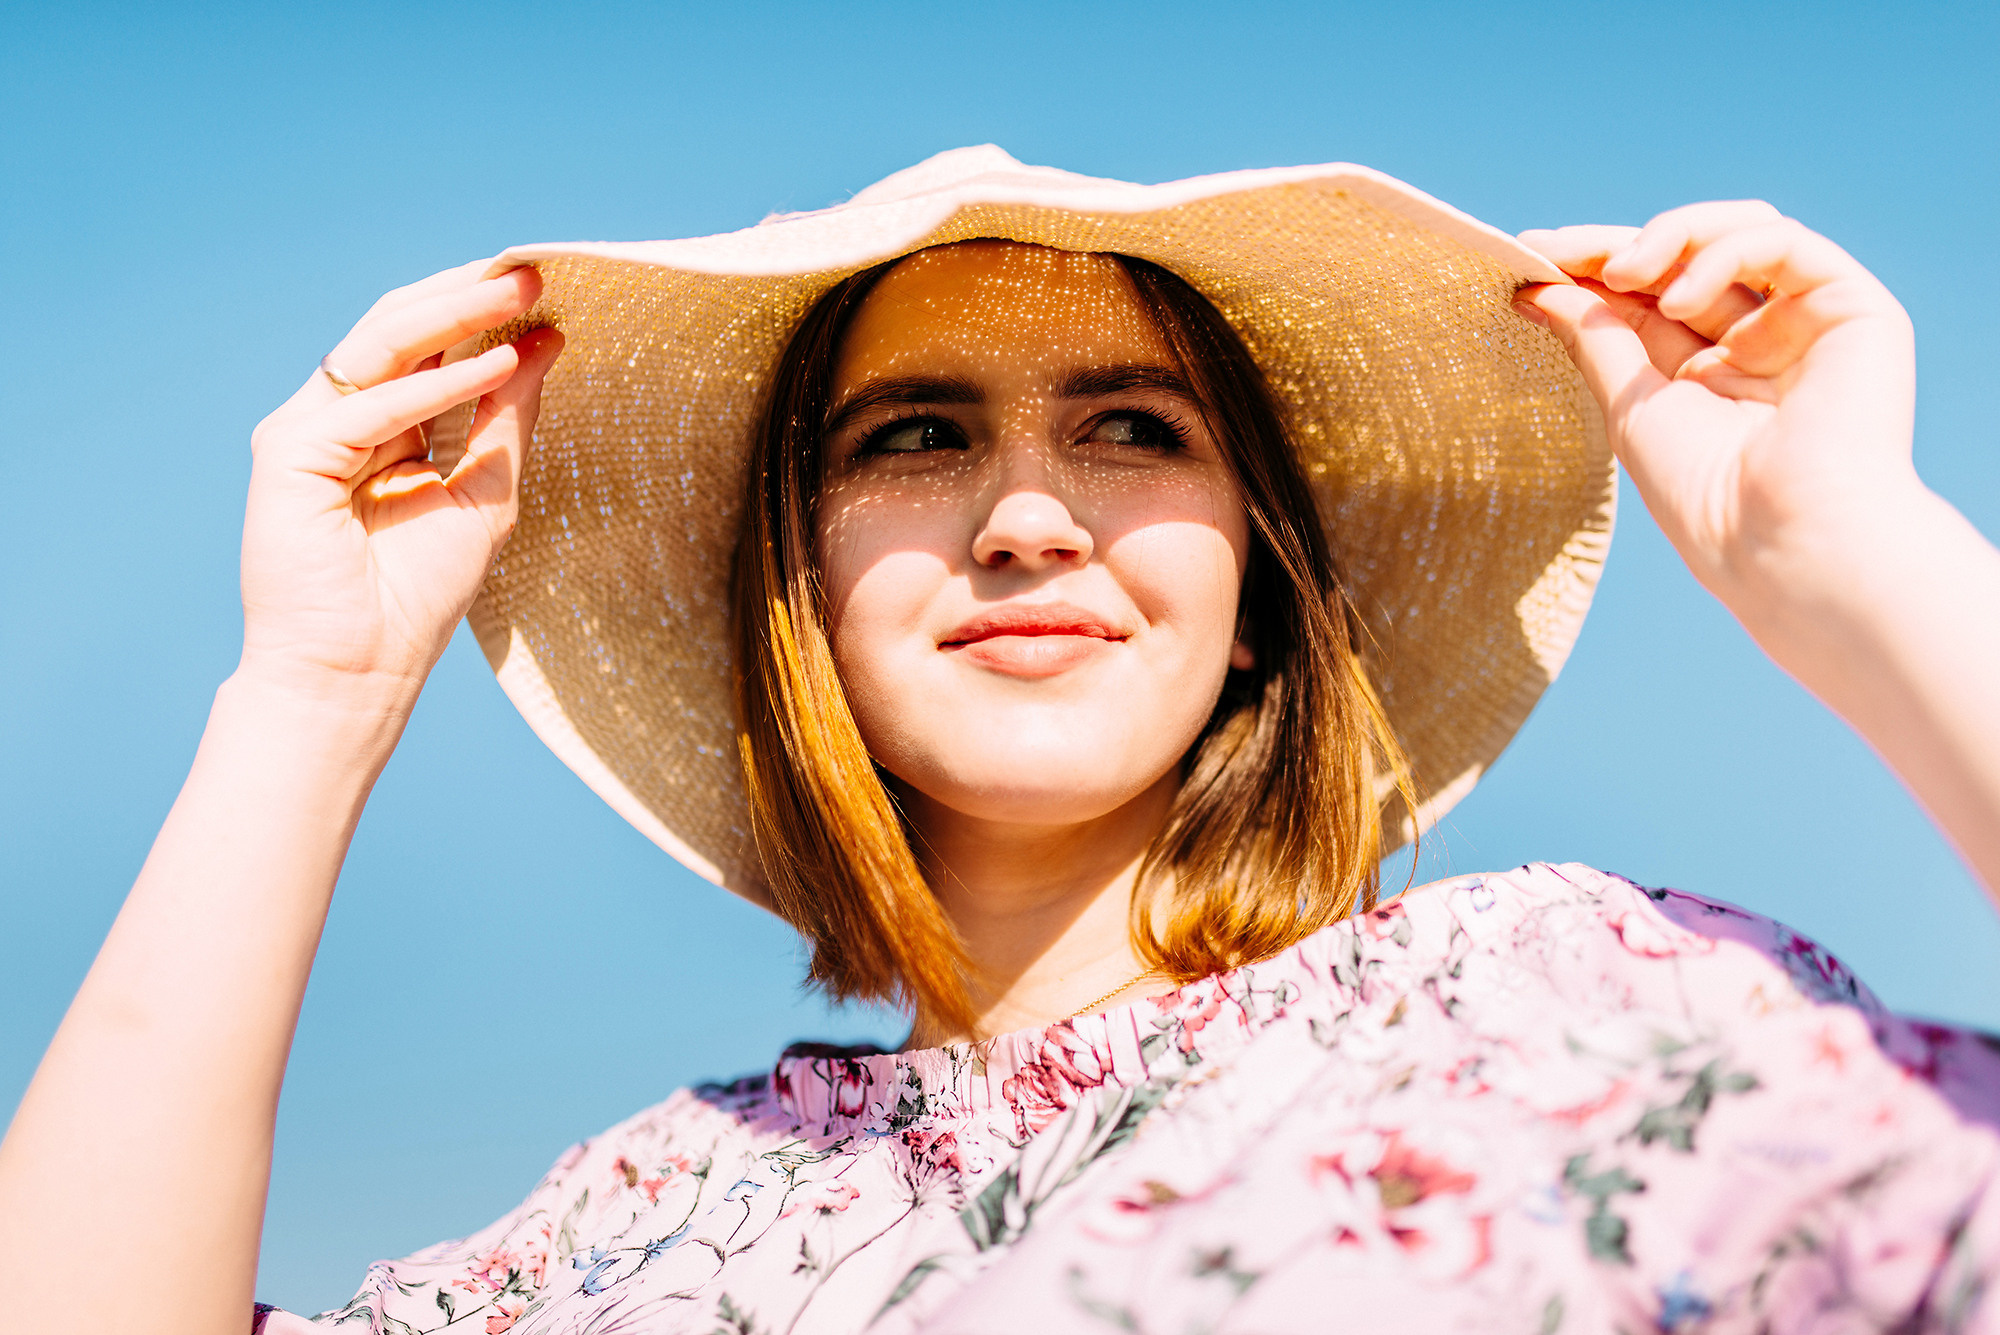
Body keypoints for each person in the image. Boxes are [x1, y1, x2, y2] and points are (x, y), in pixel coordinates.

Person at [2, 147, 1997, 1334]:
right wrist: (312, 696)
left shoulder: (1579, 1000)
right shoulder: (654, 1216)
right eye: (914, 435)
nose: (1028, 514)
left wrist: (1858, 563)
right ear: (799, 601)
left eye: (1134, 430)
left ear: (1255, 591)